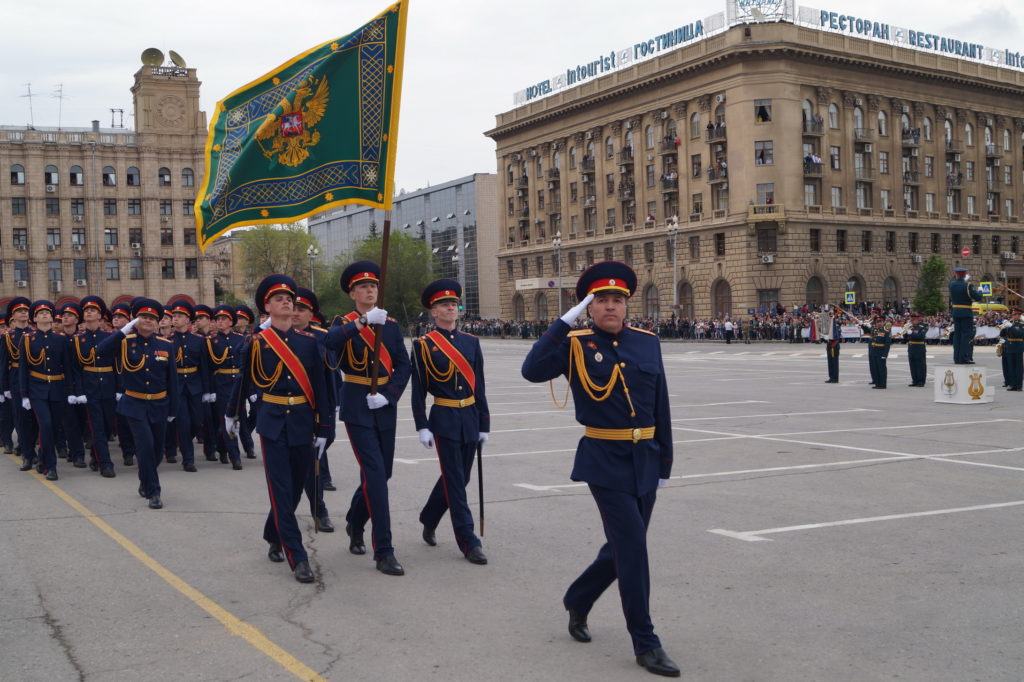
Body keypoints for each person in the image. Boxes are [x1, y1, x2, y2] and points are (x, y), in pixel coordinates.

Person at [521, 261, 679, 678]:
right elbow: (531, 371)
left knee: (623, 546)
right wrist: (561, 324)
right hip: (603, 461)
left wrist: (665, 459)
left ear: (627, 305)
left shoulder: (647, 343)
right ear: (588, 308)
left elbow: (660, 402)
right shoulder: (573, 343)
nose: (610, 307)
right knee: (633, 548)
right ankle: (645, 641)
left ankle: (579, 597)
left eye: (617, 300)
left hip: (645, 457)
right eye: (601, 300)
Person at [225, 274, 332, 584]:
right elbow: (243, 380)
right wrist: (231, 413)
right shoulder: (256, 342)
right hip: (271, 424)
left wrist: (325, 427)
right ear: (267, 307)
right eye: (279, 299)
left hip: (301, 422)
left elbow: (322, 388)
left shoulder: (310, 343)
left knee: (297, 488)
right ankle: (297, 556)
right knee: (281, 490)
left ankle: (273, 533)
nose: (287, 302)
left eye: (290, 299)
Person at [324, 261, 411, 576]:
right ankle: (384, 551)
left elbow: (403, 365)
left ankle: (354, 521)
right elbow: (329, 344)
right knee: (375, 476)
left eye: (373, 286)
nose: (369, 290)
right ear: (353, 293)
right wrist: (361, 323)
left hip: (383, 405)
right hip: (357, 407)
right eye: (362, 287)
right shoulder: (345, 322)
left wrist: (389, 395)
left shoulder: (390, 324)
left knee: (381, 475)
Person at [410, 279, 490, 565]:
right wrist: (421, 425)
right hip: (443, 418)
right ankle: (469, 542)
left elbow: (479, 387)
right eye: (445, 304)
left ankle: (429, 517)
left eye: (454, 304)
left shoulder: (471, 342)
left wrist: (484, 424)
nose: (451, 308)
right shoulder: (423, 345)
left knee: (461, 477)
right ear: (434, 311)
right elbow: (418, 389)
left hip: (469, 417)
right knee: (456, 483)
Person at [98, 299, 179, 508]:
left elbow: (172, 379)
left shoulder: (165, 345)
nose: (147, 321)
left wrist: (173, 408)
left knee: (156, 451)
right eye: (143, 317)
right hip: (134, 404)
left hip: (160, 404)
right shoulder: (125, 341)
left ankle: (145, 479)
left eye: (152, 318)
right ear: (136, 320)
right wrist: (123, 330)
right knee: (145, 447)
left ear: (158, 323)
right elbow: (100, 351)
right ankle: (154, 491)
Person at [19, 300, 84, 481]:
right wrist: (24, 394)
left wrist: (71, 391)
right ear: (34, 318)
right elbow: (23, 368)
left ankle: (41, 459)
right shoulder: (27, 339)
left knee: (54, 428)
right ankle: (51, 467)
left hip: (57, 388)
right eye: (40, 313)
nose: (45, 315)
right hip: (37, 390)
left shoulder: (61, 339)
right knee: (46, 424)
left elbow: (68, 367)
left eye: (47, 312)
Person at [292, 287, 337, 532]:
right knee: (309, 464)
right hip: (292, 410)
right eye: (294, 308)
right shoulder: (274, 335)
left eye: (303, 309)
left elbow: (330, 375)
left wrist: (332, 405)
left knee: (313, 460)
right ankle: (319, 510)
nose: (297, 313)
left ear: (312, 314)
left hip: (319, 409)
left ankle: (318, 508)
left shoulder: (322, 337)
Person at [72, 295, 118, 477]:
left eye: (93, 310)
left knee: (108, 425)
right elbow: (74, 368)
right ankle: (105, 463)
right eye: (86, 311)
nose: (89, 312)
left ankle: (95, 455)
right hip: (89, 385)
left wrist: (119, 389)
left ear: (100, 316)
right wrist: (79, 390)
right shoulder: (77, 340)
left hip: (108, 383)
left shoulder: (109, 337)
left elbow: (117, 365)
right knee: (97, 425)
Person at [164, 300, 213, 472]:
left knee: (198, 422)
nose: (175, 319)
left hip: (195, 385)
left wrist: (207, 390)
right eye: (174, 316)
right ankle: (188, 459)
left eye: (180, 316)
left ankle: (181, 443)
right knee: (183, 422)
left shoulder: (199, 341)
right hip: (177, 385)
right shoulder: (167, 341)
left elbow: (205, 366)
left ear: (188, 320)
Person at [1, 298, 38, 470]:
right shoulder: (7, 337)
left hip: (35, 378)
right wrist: (5, 388)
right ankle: (27, 454)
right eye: (19, 311)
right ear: (13, 316)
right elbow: (3, 364)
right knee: (21, 418)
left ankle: (33, 449)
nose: (24, 313)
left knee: (36, 418)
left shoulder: (36, 333)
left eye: (26, 310)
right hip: (16, 378)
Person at [207, 305, 245, 470]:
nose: (220, 322)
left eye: (224, 319)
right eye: (218, 319)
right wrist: (210, 390)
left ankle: (222, 448)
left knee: (235, 419)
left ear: (231, 322)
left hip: (237, 383)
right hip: (221, 383)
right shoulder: (211, 341)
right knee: (226, 420)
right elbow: (208, 367)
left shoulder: (240, 339)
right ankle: (234, 456)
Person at [948, 266, 983, 364]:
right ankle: (963, 357)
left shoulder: (951, 285)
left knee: (957, 334)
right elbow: (978, 298)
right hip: (966, 313)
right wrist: (980, 290)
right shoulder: (968, 286)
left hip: (955, 312)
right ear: (964, 275)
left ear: (956, 274)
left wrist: (963, 281)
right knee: (965, 335)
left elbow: (956, 286)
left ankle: (956, 358)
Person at [866, 313, 892, 389]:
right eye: (877, 322)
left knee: (881, 369)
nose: (879, 323)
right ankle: (877, 383)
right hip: (874, 351)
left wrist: (885, 355)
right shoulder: (874, 330)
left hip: (881, 352)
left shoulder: (886, 331)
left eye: (881, 321)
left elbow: (887, 344)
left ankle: (882, 384)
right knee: (876, 368)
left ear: (884, 322)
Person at [905, 312, 929, 387]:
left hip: (919, 348)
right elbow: (905, 339)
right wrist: (905, 332)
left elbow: (921, 336)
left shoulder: (923, 327)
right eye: (911, 320)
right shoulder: (910, 327)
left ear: (917, 320)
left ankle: (921, 381)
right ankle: (914, 380)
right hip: (911, 348)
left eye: (913, 320)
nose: (912, 321)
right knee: (912, 365)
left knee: (920, 365)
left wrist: (911, 333)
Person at [1003, 308, 1024, 391]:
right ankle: (1013, 385)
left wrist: (1011, 327)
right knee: (1011, 367)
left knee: (1018, 367)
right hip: (1009, 347)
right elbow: (1003, 334)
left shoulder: (1021, 324)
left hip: (1018, 346)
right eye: (1013, 314)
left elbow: (1019, 334)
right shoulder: (1010, 323)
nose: (1013, 316)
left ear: (1019, 315)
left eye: (1015, 314)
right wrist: (1004, 327)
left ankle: (1018, 386)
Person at [824, 310, 845, 383]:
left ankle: (835, 378)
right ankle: (831, 377)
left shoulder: (836, 325)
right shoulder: (827, 325)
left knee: (834, 362)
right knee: (830, 362)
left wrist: (829, 337)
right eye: (829, 316)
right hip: (829, 345)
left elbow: (837, 335)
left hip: (834, 345)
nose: (830, 317)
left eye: (831, 316)